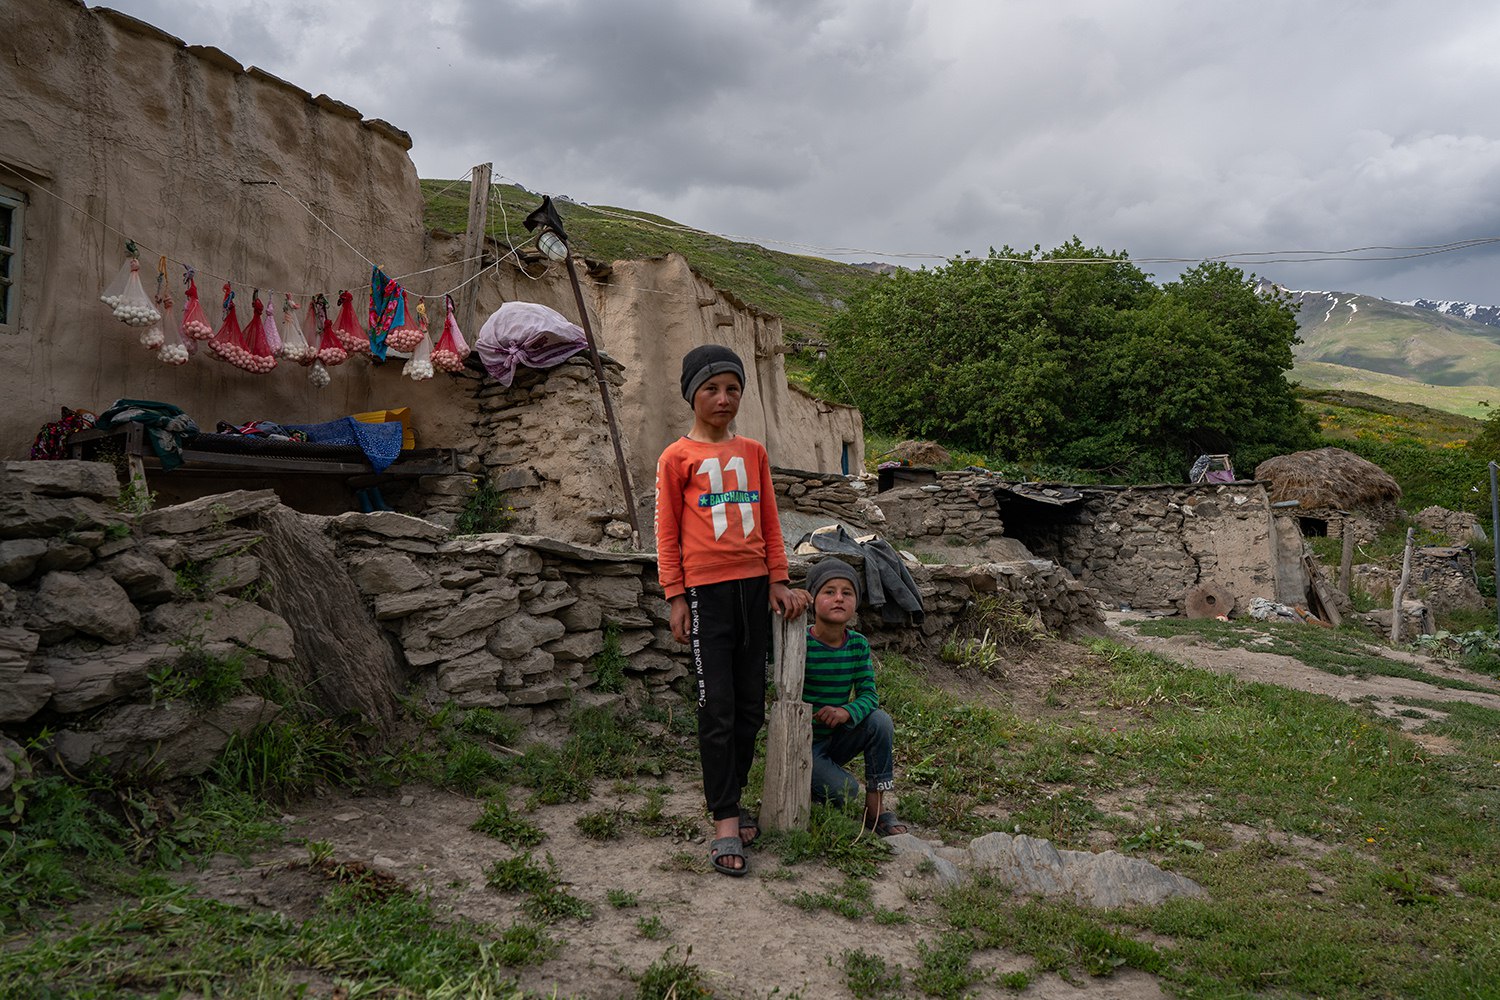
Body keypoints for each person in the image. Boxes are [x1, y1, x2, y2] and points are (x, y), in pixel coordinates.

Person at [656, 344, 810, 876]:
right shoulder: (676, 458)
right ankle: (724, 818)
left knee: (748, 707)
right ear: (691, 394)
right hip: (706, 596)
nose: (723, 399)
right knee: (715, 706)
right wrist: (676, 595)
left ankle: (735, 794)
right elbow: (667, 532)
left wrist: (778, 581)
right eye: (711, 389)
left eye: (733, 389)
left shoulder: (754, 452)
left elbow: (770, 520)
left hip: (752, 594)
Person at [803, 558, 908, 837]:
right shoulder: (800, 642)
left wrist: (846, 712)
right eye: (829, 591)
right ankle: (813, 783)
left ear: (856, 602)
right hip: (801, 745)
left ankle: (877, 809)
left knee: (880, 721)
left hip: (836, 738)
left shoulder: (858, 645)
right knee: (847, 792)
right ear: (812, 600)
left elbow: (869, 696)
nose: (839, 598)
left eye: (847, 593)